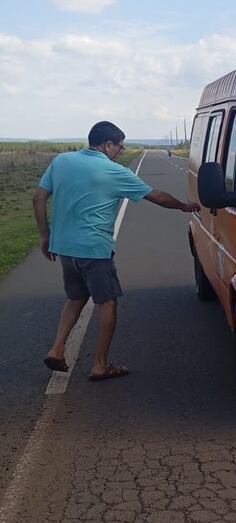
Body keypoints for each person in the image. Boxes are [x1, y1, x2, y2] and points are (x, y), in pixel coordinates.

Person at [32, 120, 200, 381]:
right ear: (108, 145)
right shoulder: (114, 171)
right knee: (107, 302)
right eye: (120, 147)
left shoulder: (61, 161)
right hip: (94, 249)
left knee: (76, 298)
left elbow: (38, 198)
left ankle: (57, 349)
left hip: (64, 247)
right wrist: (183, 206)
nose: (121, 151)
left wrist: (45, 235)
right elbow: (156, 196)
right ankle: (100, 364)